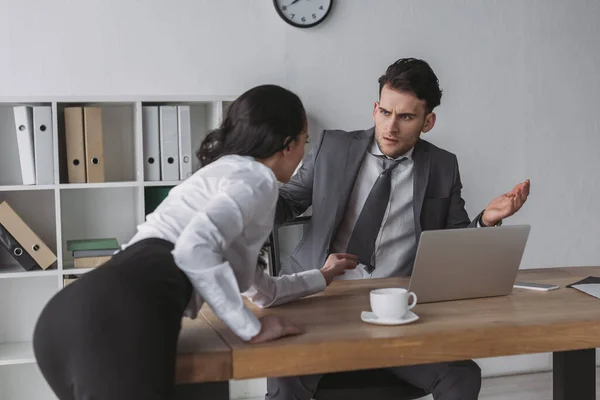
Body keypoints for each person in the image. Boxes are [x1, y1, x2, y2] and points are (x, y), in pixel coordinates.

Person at [32, 84, 358, 400]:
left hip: (69, 317)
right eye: (305, 141)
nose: (303, 152)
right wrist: (250, 329)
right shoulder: (258, 180)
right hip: (116, 320)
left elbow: (261, 291)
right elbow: (194, 249)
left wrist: (322, 276)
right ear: (287, 145)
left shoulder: (221, 175)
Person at [267, 58, 531, 400]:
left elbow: (455, 245)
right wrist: (246, 194)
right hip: (321, 299)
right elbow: (287, 202)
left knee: (461, 376)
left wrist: (487, 220)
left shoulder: (442, 166)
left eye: (406, 117)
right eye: (385, 112)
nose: (391, 127)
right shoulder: (333, 147)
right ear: (375, 108)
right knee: (286, 379)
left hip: (398, 309)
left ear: (428, 121)